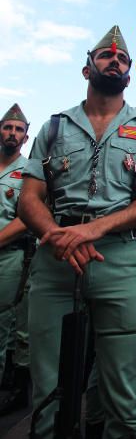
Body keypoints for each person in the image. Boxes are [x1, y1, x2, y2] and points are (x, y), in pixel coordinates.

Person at [18, 25, 136, 439]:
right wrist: (56, 234)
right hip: (57, 258)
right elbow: (29, 197)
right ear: (87, 69)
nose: (116, 61)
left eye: (122, 59)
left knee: (126, 398)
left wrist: (94, 230)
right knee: (48, 394)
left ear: (129, 75)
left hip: (120, 257)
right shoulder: (53, 128)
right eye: (106, 56)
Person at [0, 104, 32, 415]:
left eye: (18, 129)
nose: (12, 133)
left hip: (10, 257)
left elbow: (26, 218)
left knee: (5, 327)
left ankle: (14, 387)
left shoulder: (28, 172)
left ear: (25, 136)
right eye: (8, 127)